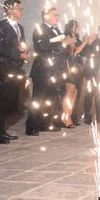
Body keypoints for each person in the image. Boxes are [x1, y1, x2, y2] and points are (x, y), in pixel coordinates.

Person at [25, 7, 74, 135]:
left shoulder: (57, 30)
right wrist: (62, 44)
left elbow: (60, 50)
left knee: (51, 98)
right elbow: (42, 46)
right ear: (46, 16)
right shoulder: (40, 29)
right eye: (55, 15)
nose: (58, 18)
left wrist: (68, 45)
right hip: (43, 69)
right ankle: (31, 125)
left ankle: (44, 123)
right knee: (38, 98)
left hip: (55, 70)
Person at [0, 0, 29, 144]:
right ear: (9, 10)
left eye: (22, 8)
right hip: (2, 69)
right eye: (18, 8)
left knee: (7, 102)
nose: (21, 11)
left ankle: (1, 131)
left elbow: (19, 46)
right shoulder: (0, 26)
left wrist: (24, 51)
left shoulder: (20, 27)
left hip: (14, 69)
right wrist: (18, 54)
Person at [59, 20, 92, 128]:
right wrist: (84, 43)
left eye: (78, 25)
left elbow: (84, 52)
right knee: (70, 92)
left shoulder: (77, 39)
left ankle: (69, 116)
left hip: (78, 68)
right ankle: (65, 117)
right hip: (69, 67)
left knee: (75, 92)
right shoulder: (66, 38)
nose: (78, 27)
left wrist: (88, 43)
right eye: (75, 26)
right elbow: (73, 52)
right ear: (70, 27)